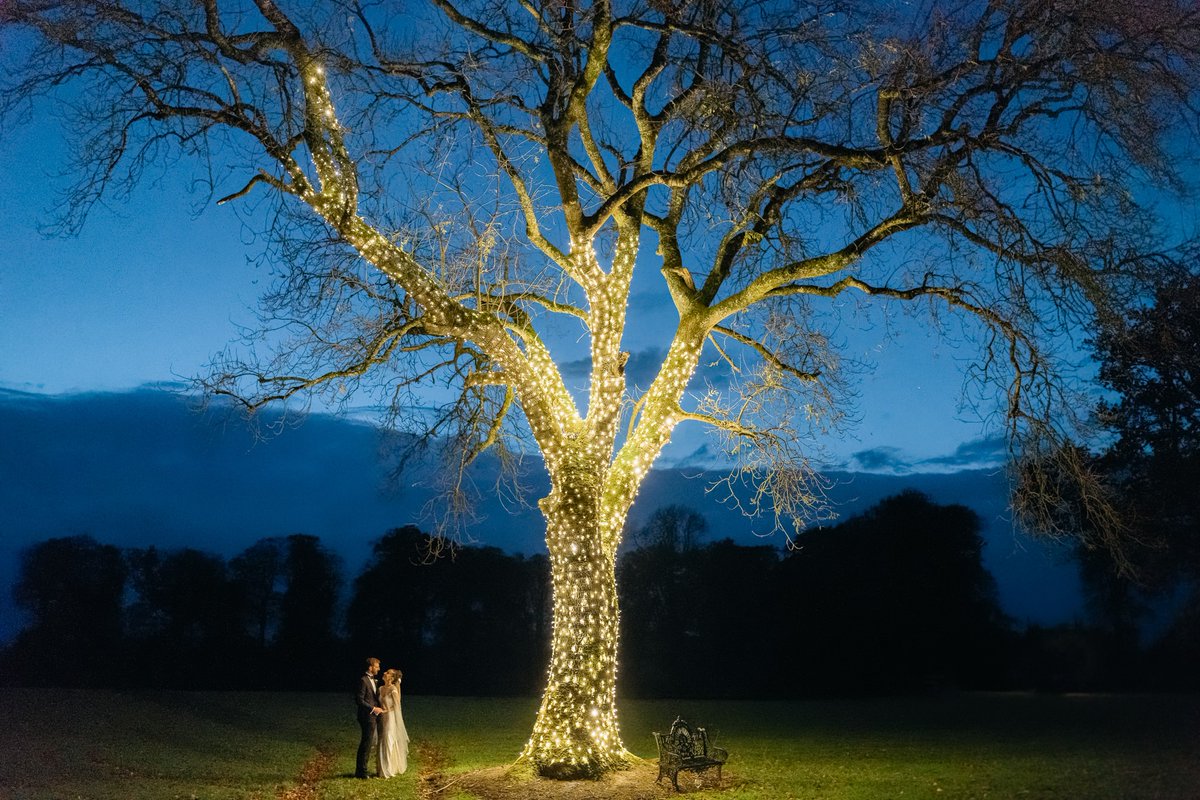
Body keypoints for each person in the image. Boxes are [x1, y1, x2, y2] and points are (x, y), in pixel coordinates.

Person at [355, 657, 384, 779]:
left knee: (369, 743)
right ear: (370, 667)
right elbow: (359, 700)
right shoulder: (363, 680)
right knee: (366, 743)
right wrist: (373, 709)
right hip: (367, 716)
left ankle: (363, 770)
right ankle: (361, 772)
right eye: (377, 666)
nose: (379, 668)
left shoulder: (373, 680)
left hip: (374, 716)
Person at [377, 668, 409, 777]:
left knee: (388, 739)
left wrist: (385, 711)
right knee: (382, 740)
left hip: (390, 718)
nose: (384, 673)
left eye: (388, 673)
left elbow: (397, 706)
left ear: (392, 677)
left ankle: (389, 769)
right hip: (381, 718)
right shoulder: (380, 688)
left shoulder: (393, 689)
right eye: (386, 672)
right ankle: (381, 769)